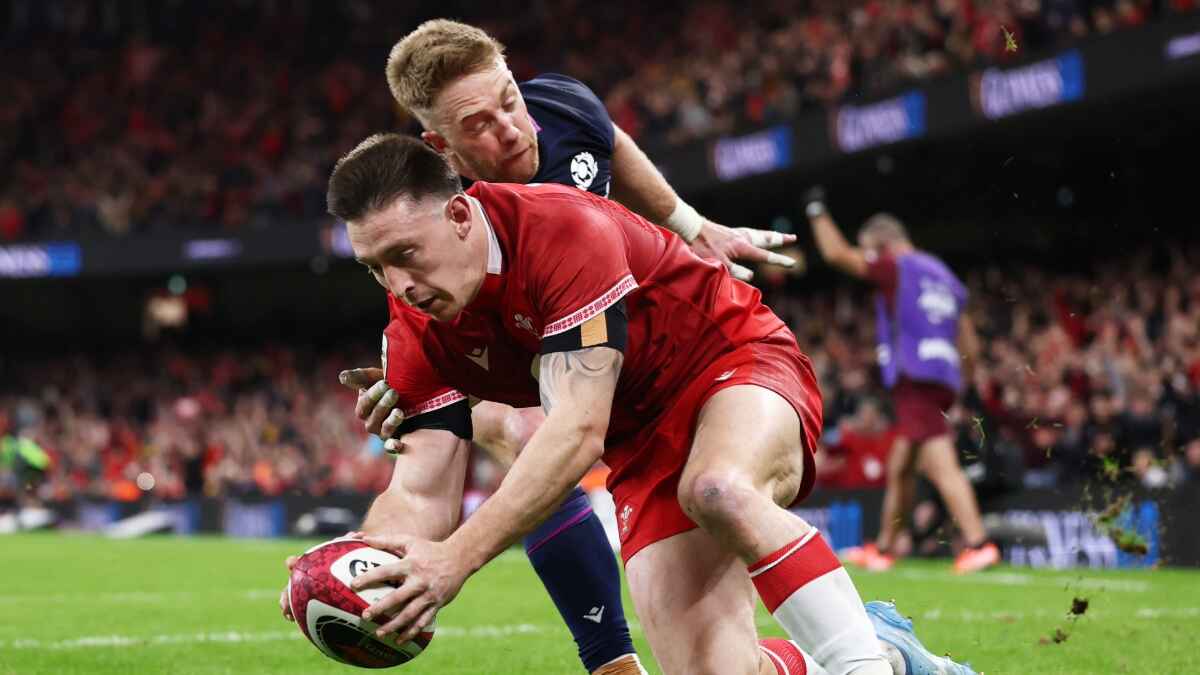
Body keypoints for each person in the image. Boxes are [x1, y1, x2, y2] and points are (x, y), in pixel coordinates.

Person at [319, 134, 977, 675]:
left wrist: (455, 560)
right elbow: (423, 487)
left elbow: (576, 432)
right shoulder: (412, 326)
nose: (398, 284)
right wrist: (355, 562)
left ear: (459, 214)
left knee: (719, 486)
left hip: (731, 361)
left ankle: (860, 663)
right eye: (376, 267)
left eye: (405, 253)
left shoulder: (558, 229)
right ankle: (889, 650)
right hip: (639, 445)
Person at [326, 19, 798, 675]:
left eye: (509, 102)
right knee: (517, 428)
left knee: (564, 434)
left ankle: (856, 650)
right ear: (442, 148)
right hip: (574, 369)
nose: (512, 130)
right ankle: (614, 660)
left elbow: (607, 138)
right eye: (478, 126)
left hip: (669, 353)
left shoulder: (559, 110)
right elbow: (419, 316)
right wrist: (361, 554)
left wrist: (690, 223)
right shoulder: (446, 225)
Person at [805, 194, 999, 574]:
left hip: (914, 374)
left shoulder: (898, 267)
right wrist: (962, 381)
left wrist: (816, 211)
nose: (872, 259)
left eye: (871, 251)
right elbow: (970, 342)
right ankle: (885, 548)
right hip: (941, 374)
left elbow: (837, 255)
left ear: (883, 246)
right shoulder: (944, 275)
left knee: (941, 464)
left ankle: (978, 543)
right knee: (902, 467)